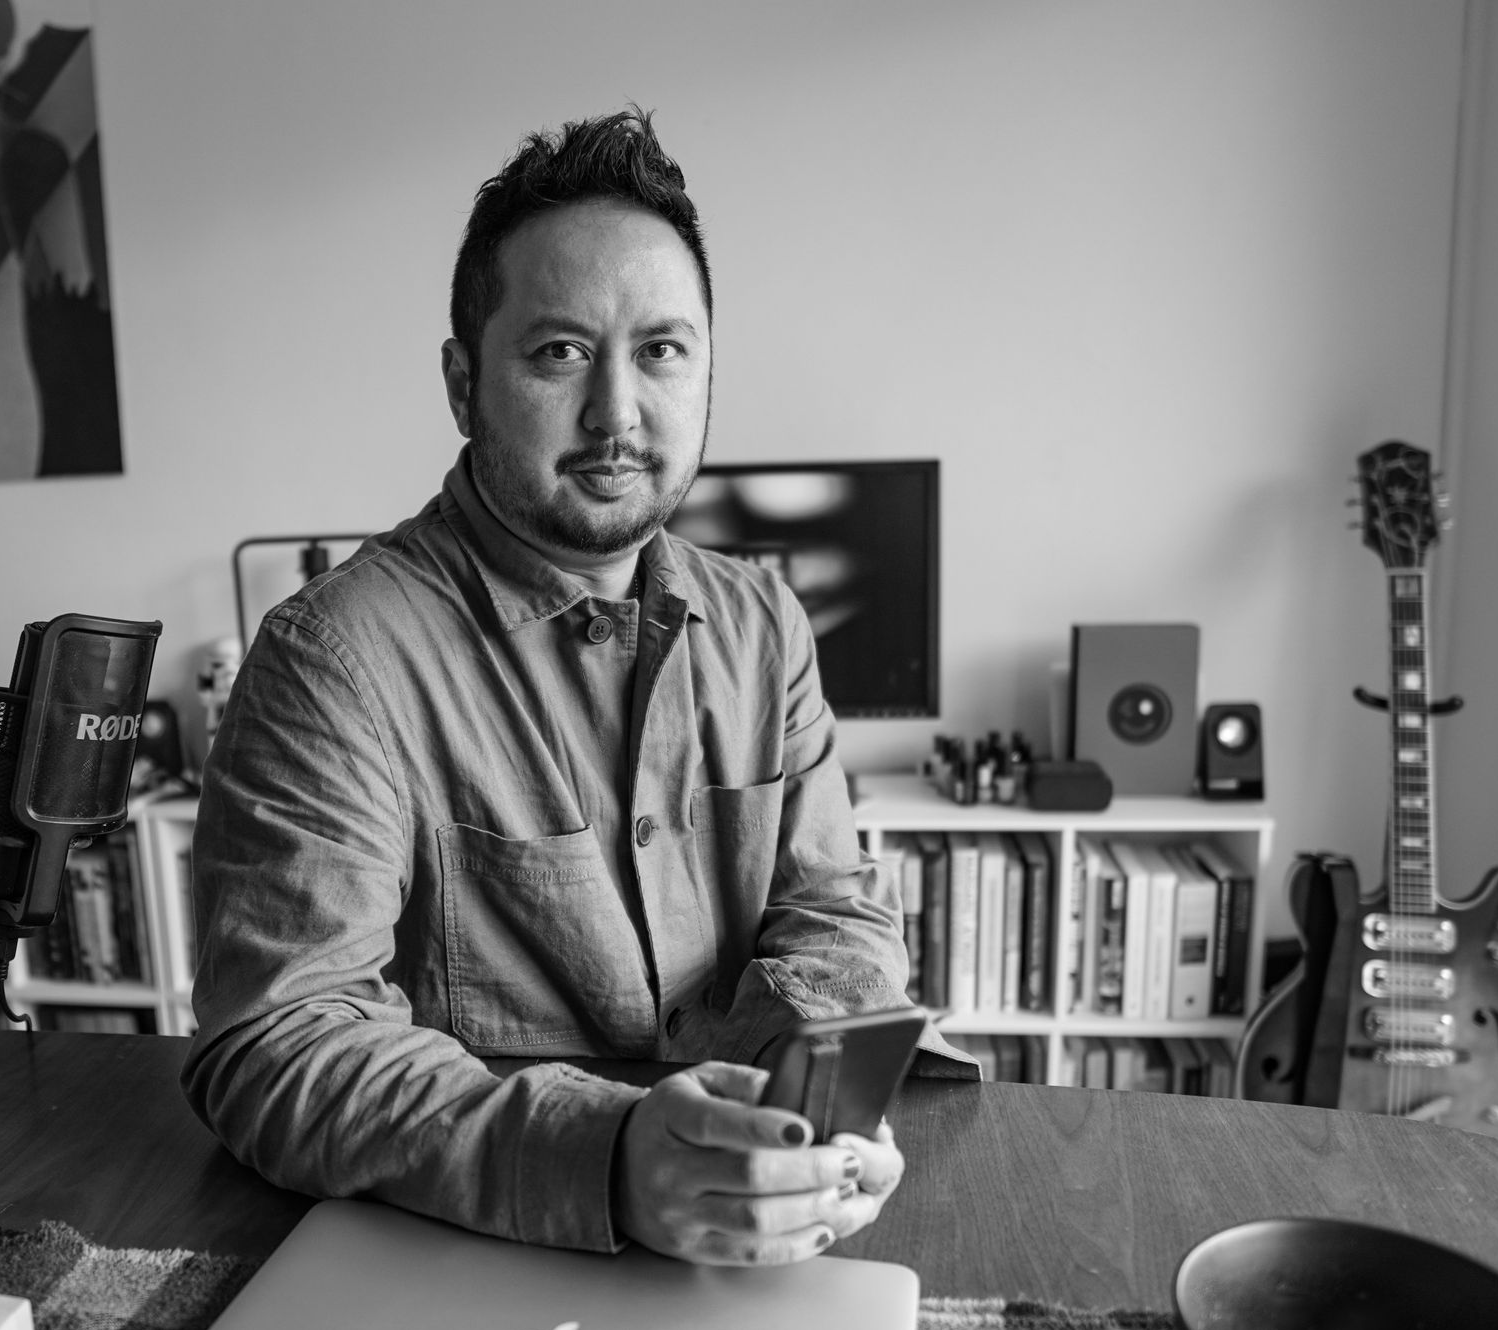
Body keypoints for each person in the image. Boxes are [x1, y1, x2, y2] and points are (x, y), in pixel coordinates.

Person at [181, 106, 973, 1268]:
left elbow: (833, 914)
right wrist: (606, 1158)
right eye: (558, 351)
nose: (617, 412)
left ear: (704, 370)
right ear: (464, 382)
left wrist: (817, 1097)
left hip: (755, 1235)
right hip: (461, 1253)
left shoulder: (760, 621)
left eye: (660, 349)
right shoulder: (328, 659)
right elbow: (276, 1042)